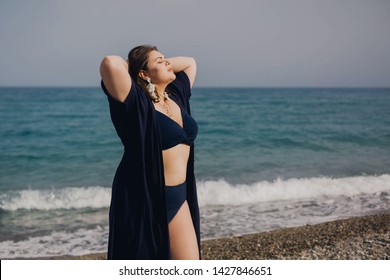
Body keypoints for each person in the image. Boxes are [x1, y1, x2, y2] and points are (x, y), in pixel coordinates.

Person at [99, 45, 200, 260]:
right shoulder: (136, 103)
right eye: (159, 61)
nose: (167, 63)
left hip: (178, 196)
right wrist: (137, 67)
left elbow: (190, 62)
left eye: (166, 59)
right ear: (143, 74)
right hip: (143, 198)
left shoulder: (176, 96)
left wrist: (159, 64)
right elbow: (110, 62)